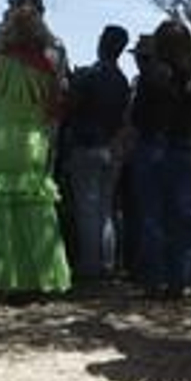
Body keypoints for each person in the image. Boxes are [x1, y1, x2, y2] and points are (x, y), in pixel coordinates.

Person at [0, 0, 71, 297]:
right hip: (32, 140)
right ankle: (33, 278)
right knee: (32, 204)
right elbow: (55, 110)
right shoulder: (49, 67)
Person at [128, 21, 191, 298]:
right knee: (180, 216)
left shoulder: (150, 75)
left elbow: (136, 116)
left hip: (151, 147)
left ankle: (154, 280)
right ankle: (179, 280)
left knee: (150, 215)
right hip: (181, 149)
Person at [59, 24, 132, 282]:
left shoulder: (91, 75)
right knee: (105, 209)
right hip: (111, 148)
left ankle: (90, 265)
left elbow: (71, 105)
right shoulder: (122, 81)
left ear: (103, 43)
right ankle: (108, 262)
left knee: (87, 209)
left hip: (87, 146)